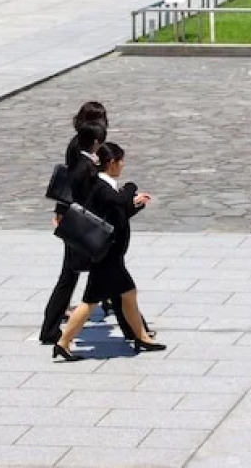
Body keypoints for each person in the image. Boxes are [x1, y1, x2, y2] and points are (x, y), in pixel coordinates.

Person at [53, 143, 165, 361]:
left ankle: (141, 337)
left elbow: (118, 213)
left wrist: (136, 204)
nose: (122, 165)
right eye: (121, 161)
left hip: (111, 255)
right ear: (111, 163)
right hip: (107, 256)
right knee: (90, 302)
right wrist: (131, 188)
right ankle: (63, 342)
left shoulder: (105, 187)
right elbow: (120, 201)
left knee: (129, 294)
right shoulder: (102, 187)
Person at [40, 102, 110, 344]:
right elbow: (71, 183)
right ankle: (49, 330)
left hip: (78, 217)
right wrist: (60, 211)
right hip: (79, 220)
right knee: (70, 276)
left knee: (74, 275)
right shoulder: (80, 153)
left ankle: (50, 328)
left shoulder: (83, 148)